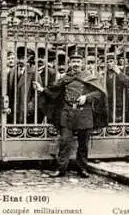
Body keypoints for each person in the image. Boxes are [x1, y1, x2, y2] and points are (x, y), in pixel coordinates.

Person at [33, 50, 109, 178]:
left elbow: (99, 93)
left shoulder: (89, 77)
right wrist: (42, 89)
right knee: (64, 142)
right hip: (67, 113)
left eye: (78, 62)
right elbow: (54, 92)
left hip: (84, 114)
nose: (76, 64)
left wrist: (86, 97)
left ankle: (82, 168)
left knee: (83, 144)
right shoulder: (65, 78)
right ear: (69, 63)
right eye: (73, 62)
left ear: (82, 63)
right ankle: (61, 169)